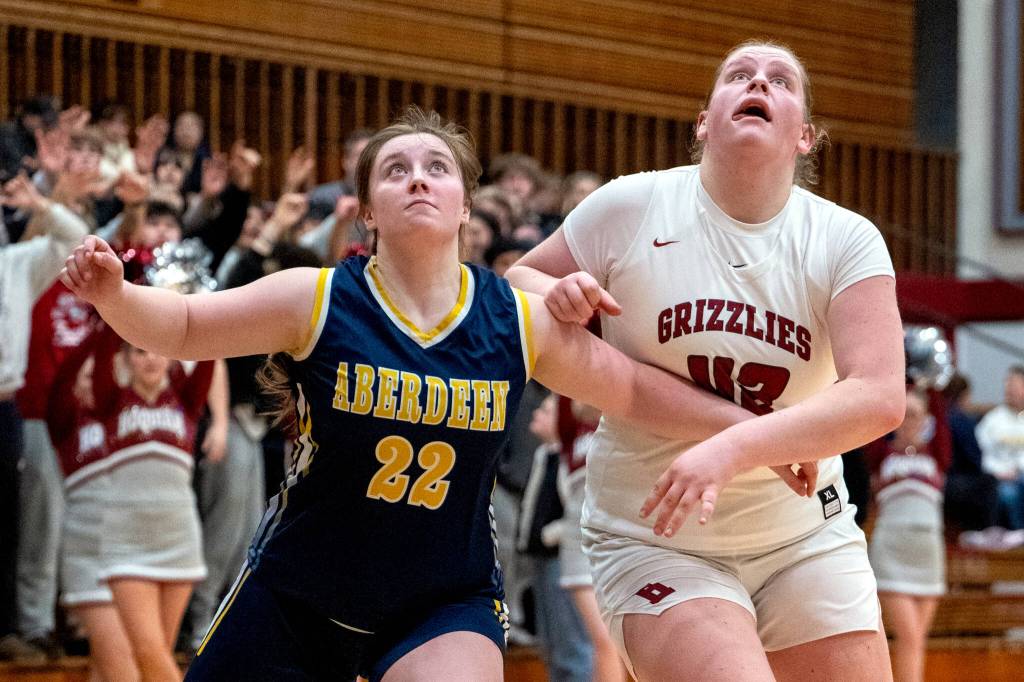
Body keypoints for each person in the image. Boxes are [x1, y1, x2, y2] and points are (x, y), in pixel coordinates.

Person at [61, 107, 816, 681]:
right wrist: (113, 294)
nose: (417, 178)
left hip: (441, 602)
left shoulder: (515, 318)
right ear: (367, 210)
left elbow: (633, 389)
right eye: (395, 170)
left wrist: (750, 434)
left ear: (464, 206)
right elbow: (186, 325)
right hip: (297, 594)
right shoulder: (315, 299)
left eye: (436, 168)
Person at [507, 40, 905, 681]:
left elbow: (879, 396)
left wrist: (732, 447)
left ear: (805, 136)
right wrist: (560, 290)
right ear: (703, 122)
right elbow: (519, 281)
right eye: (739, 75)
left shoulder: (846, 239)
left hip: (805, 536)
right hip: (657, 535)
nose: (758, 83)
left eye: (780, 80)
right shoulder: (631, 206)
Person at [867, 387, 946, 682]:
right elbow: (872, 421)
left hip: (928, 553)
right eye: (905, 414)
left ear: (926, 418)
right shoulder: (881, 454)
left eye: (915, 414)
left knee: (916, 640)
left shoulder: (938, 453)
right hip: (891, 550)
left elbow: (941, 415)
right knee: (909, 636)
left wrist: (929, 381)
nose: (910, 420)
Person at [975, 365, 1024, 530]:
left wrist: (1019, 469)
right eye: (1008, 384)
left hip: (1021, 475)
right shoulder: (993, 419)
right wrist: (998, 473)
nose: (1009, 389)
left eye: (1015, 385)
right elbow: (980, 454)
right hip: (1000, 478)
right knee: (1008, 495)